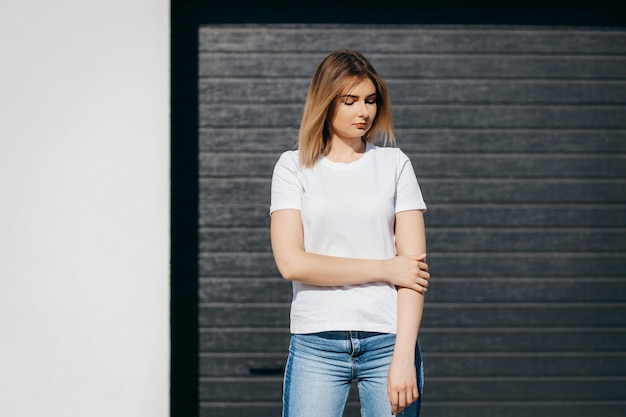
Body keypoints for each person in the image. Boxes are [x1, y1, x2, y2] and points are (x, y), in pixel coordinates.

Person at [269, 49, 430, 417]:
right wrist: (383, 268)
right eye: (351, 100)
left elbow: (413, 274)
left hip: (388, 341)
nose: (365, 112)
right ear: (326, 102)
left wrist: (404, 357)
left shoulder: (394, 165)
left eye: (371, 101)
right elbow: (292, 263)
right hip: (316, 343)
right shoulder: (292, 167)